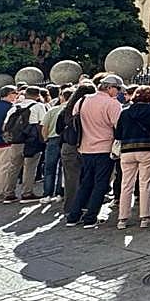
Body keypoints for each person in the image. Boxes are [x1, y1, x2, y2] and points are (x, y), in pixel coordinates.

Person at [65, 75, 124, 228]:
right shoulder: (113, 104)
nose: (118, 92)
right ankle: (90, 217)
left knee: (86, 183)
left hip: (84, 147)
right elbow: (119, 126)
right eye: (117, 89)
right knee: (101, 184)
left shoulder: (83, 100)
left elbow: (75, 119)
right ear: (110, 87)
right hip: (104, 148)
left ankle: (74, 215)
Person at [114, 85, 150, 229]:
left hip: (128, 150)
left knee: (126, 184)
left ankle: (122, 218)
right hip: (148, 149)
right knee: (145, 184)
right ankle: (144, 217)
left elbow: (118, 135)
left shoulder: (125, 113)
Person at [5, 86, 48, 202]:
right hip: (32, 141)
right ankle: (27, 193)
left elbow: (5, 125)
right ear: (38, 95)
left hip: (16, 141)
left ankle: (9, 193)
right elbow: (42, 124)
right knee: (30, 167)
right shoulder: (39, 106)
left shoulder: (15, 107)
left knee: (14, 166)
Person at [58, 82, 95, 213]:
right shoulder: (91, 108)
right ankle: (84, 205)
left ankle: (70, 207)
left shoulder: (67, 109)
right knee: (87, 178)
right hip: (87, 145)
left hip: (68, 146)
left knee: (71, 180)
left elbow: (58, 129)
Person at [40, 88, 72, 204]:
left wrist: (45, 139)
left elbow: (44, 127)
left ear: (62, 97)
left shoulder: (52, 110)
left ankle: (47, 194)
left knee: (50, 168)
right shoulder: (72, 110)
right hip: (66, 140)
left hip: (52, 139)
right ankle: (60, 193)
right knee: (63, 168)